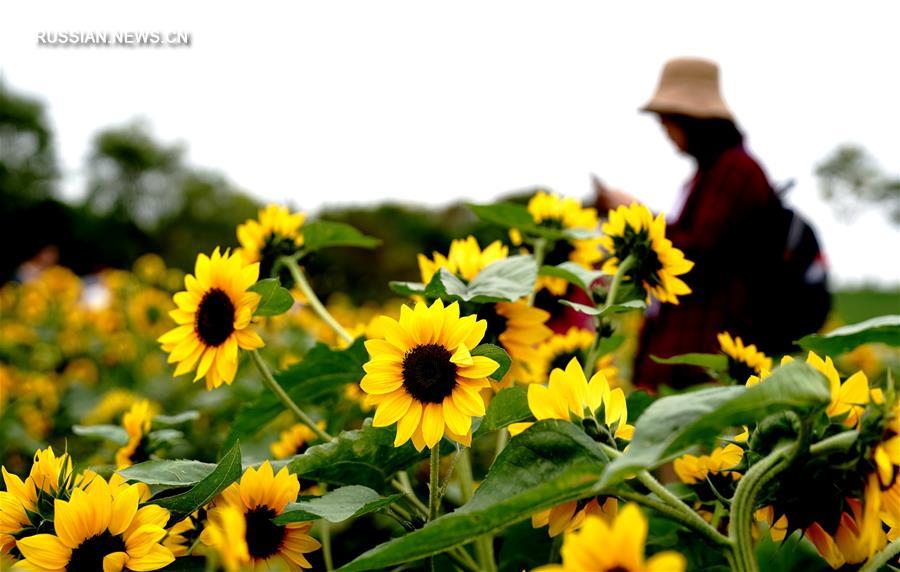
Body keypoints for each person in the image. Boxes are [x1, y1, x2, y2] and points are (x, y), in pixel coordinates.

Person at [595, 57, 785, 390]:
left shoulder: (735, 172)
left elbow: (698, 252)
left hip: (703, 356)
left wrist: (634, 213)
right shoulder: (707, 174)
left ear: (692, 120)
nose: (665, 131)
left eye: (667, 121)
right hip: (687, 353)